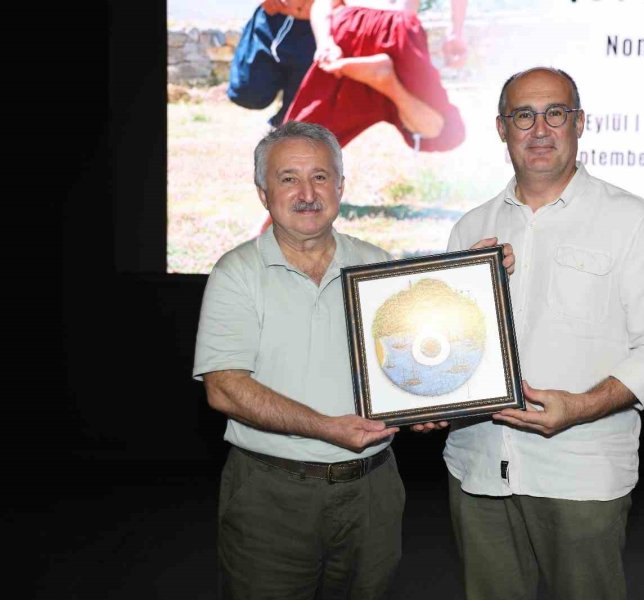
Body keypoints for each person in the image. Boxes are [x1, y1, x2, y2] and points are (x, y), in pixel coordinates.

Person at [193, 121, 513, 599]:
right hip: (271, 492)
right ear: (263, 193)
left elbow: (411, 360)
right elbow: (224, 388)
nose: (307, 194)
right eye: (288, 179)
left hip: (371, 491)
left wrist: (470, 277)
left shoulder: (375, 266)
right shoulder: (236, 273)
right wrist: (326, 428)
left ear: (341, 187)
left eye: (320, 177)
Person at [439, 67, 644, 600]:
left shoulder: (631, 220)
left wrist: (581, 407)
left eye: (555, 113)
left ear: (579, 123)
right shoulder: (470, 228)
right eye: (523, 116)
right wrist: (429, 399)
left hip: (580, 473)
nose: (539, 129)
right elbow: (452, 346)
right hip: (478, 468)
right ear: (502, 128)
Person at [282, 0, 468, 152]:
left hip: (350, 27)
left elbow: (322, 3)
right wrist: (456, 32)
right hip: (398, 28)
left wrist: (325, 43)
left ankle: (384, 80)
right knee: (446, 132)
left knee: (296, 143)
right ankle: (389, 84)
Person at [227, 1, 317, 126]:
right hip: (273, 18)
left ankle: (282, 125)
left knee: (298, 113)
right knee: (246, 92)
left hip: (315, 29)